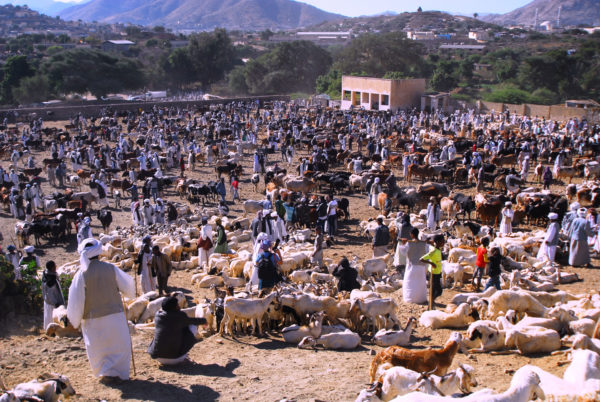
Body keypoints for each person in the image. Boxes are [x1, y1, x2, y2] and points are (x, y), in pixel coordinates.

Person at [67, 238, 135, 381]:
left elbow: (75, 300)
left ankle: (106, 373)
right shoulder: (111, 268)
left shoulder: (80, 275)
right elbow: (128, 286)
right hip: (115, 315)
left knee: (99, 347)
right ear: (99, 252)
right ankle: (120, 373)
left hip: (92, 319)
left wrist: (75, 319)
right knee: (118, 344)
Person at [147, 296, 207, 366]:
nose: (179, 306)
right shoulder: (180, 316)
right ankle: (183, 356)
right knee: (192, 326)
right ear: (174, 307)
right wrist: (204, 321)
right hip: (175, 358)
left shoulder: (158, 315)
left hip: (157, 356)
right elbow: (193, 321)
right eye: (177, 305)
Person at [396, 228, 429, 304]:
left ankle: (410, 298)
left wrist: (403, 243)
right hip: (421, 266)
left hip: (411, 266)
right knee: (420, 283)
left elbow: (403, 252)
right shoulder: (424, 244)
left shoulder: (409, 243)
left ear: (412, 234)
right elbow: (427, 252)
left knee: (410, 283)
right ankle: (421, 299)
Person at [420, 234, 445, 304]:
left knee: (435, 289)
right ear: (437, 242)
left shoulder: (437, 249)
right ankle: (431, 302)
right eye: (442, 242)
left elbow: (431, 244)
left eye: (444, 241)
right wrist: (431, 263)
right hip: (433, 273)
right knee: (438, 290)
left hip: (438, 272)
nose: (443, 243)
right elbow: (421, 259)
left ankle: (432, 301)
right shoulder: (433, 251)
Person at [42, 260, 64, 331]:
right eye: (55, 266)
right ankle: (53, 331)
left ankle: (48, 329)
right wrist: (55, 303)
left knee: (48, 316)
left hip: (48, 300)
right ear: (52, 268)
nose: (56, 267)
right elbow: (50, 292)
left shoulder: (46, 274)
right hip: (52, 301)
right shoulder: (51, 279)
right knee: (52, 317)